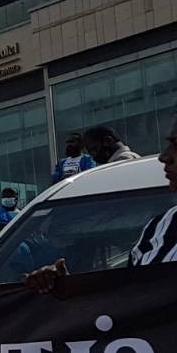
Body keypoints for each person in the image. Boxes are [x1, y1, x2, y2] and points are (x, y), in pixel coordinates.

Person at [27, 118, 177, 292]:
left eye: (176, 144)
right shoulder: (159, 227)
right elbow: (132, 298)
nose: (164, 157)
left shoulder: (123, 167)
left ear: (108, 141)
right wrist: (67, 286)